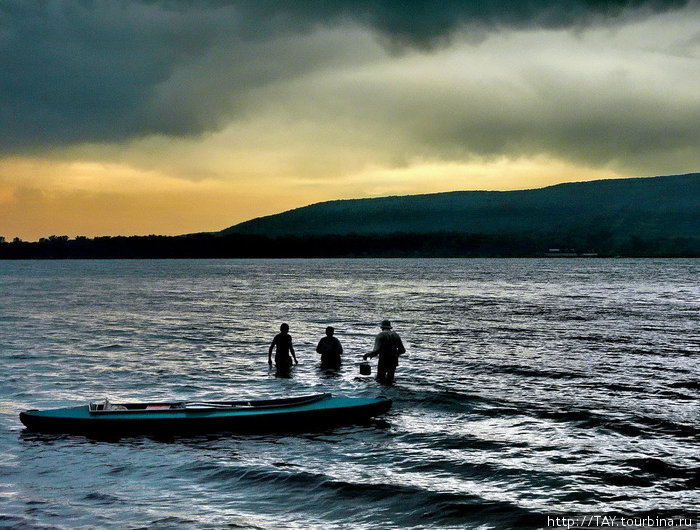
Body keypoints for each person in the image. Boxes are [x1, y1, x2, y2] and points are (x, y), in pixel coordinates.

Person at [363, 319, 406, 384]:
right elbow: (402, 350)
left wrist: (368, 355)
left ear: (382, 327)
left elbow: (376, 350)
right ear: (390, 327)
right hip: (393, 360)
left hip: (383, 360)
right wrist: (395, 354)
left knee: (380, 379)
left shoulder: (380, 335)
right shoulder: (396, 335)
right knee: (390, 379)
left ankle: (383, 392)